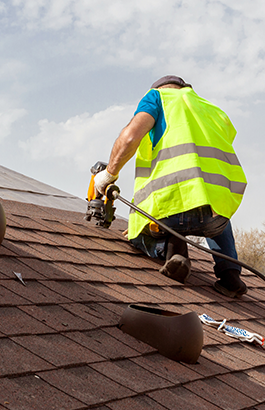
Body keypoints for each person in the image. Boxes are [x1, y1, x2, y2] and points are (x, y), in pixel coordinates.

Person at [93, 75, 248, 297]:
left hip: (171, 210)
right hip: (216, 213)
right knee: (215, 211)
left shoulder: (157, 98)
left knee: (136, 235)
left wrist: (108, 175)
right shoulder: (212, 109)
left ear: (162, 89)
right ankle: (230, 275)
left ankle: (173, 250)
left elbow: (129, 138)